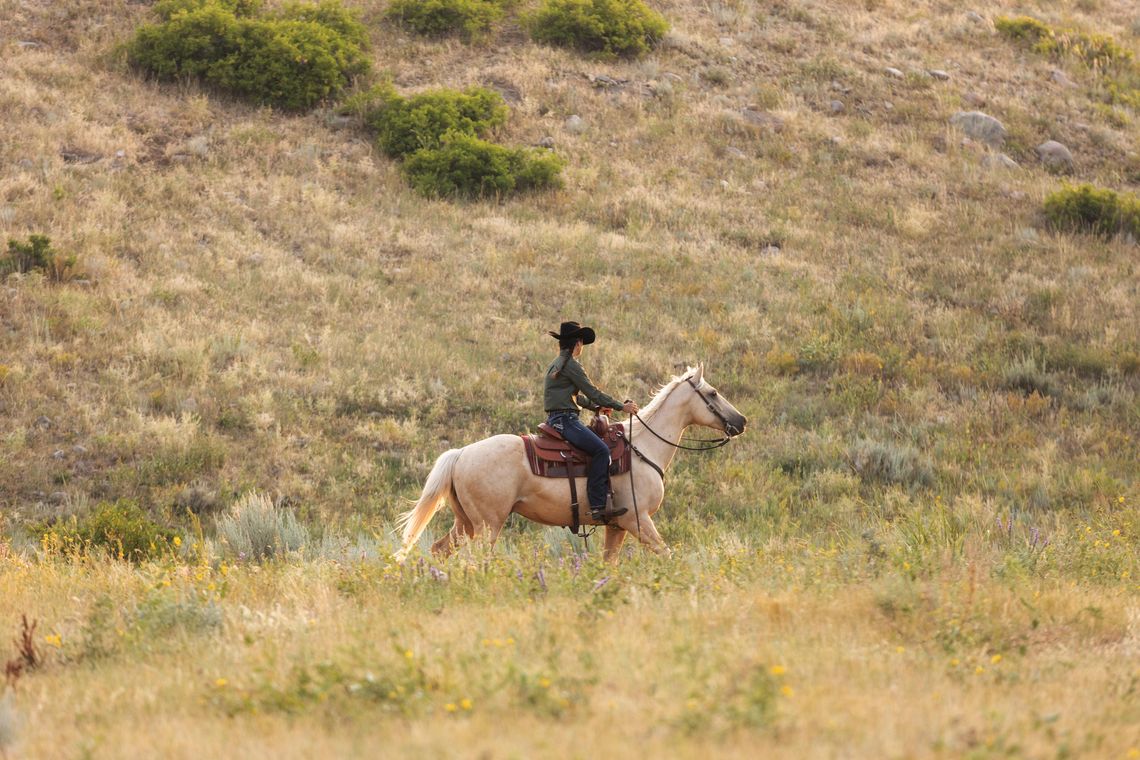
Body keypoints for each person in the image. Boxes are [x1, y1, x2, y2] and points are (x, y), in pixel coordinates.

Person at [543, 321, 640, 522]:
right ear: (577, 344)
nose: (582, 347)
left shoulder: (556, 364)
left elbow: (574, 397)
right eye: (582, 343)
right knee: (602, 450)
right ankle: (597, 505)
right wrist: (622, 407)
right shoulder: (571, 365)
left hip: (556, 418)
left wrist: (596, 408)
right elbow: (593, 392)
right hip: (566, 420)